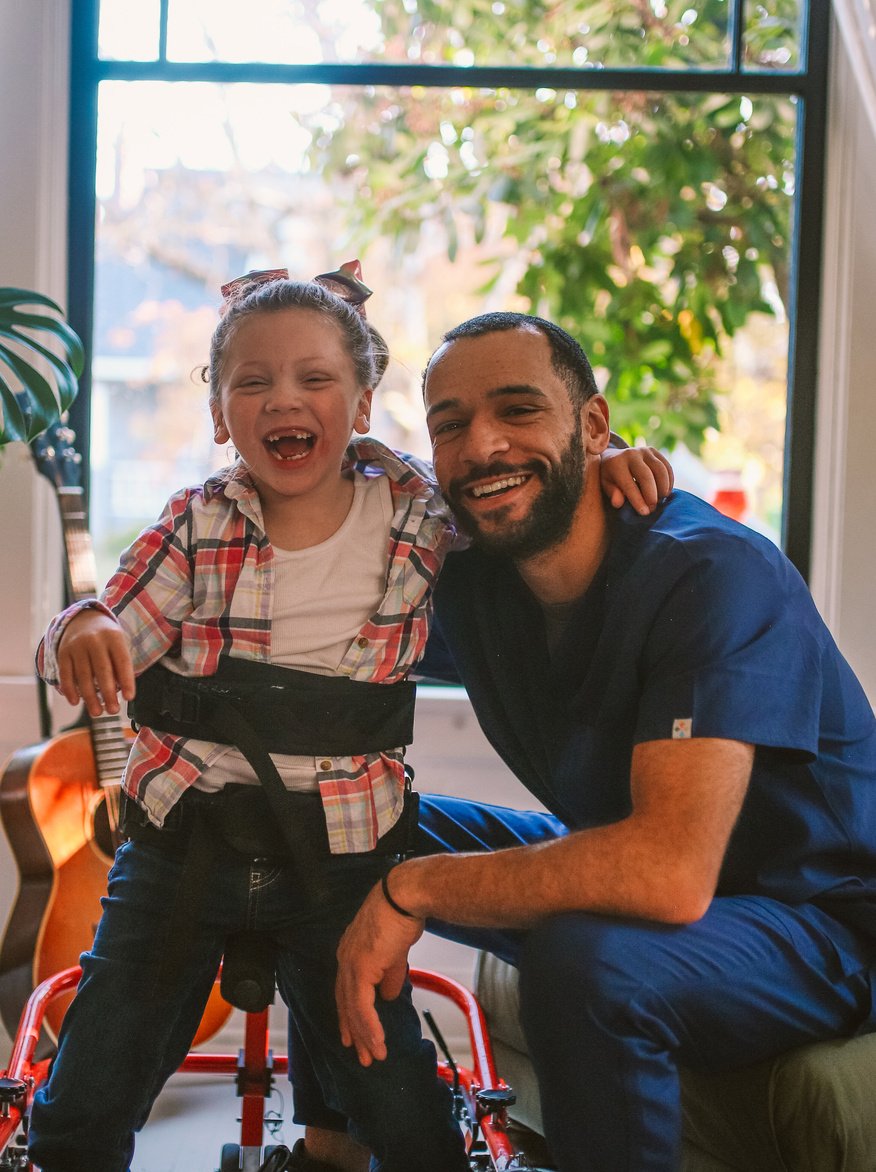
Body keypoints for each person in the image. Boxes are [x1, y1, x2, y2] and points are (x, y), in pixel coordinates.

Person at [26, 277, 667, 1172]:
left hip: (343, 854)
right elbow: (114, 621)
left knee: (395, 1096)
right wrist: (82, 626)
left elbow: (514, 502)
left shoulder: (415, 511)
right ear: (219, 412)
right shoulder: (196, 523)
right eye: (252, 383)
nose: (283, 400)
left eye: (314, 379)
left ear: (362, 404)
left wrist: (597, 472)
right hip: (182, 841)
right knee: (90, 1083)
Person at [322, 311, 876, 1172]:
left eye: (519, 410)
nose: (484, 445)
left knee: (587, 961)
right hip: (632, 865)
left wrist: (414, 890)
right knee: (339, 819)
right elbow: (298, 546)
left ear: (591, 425)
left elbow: (666, 871)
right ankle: (349, 1145)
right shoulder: (475, 581)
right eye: (452, 425)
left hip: (822, 920)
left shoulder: (712, 575)